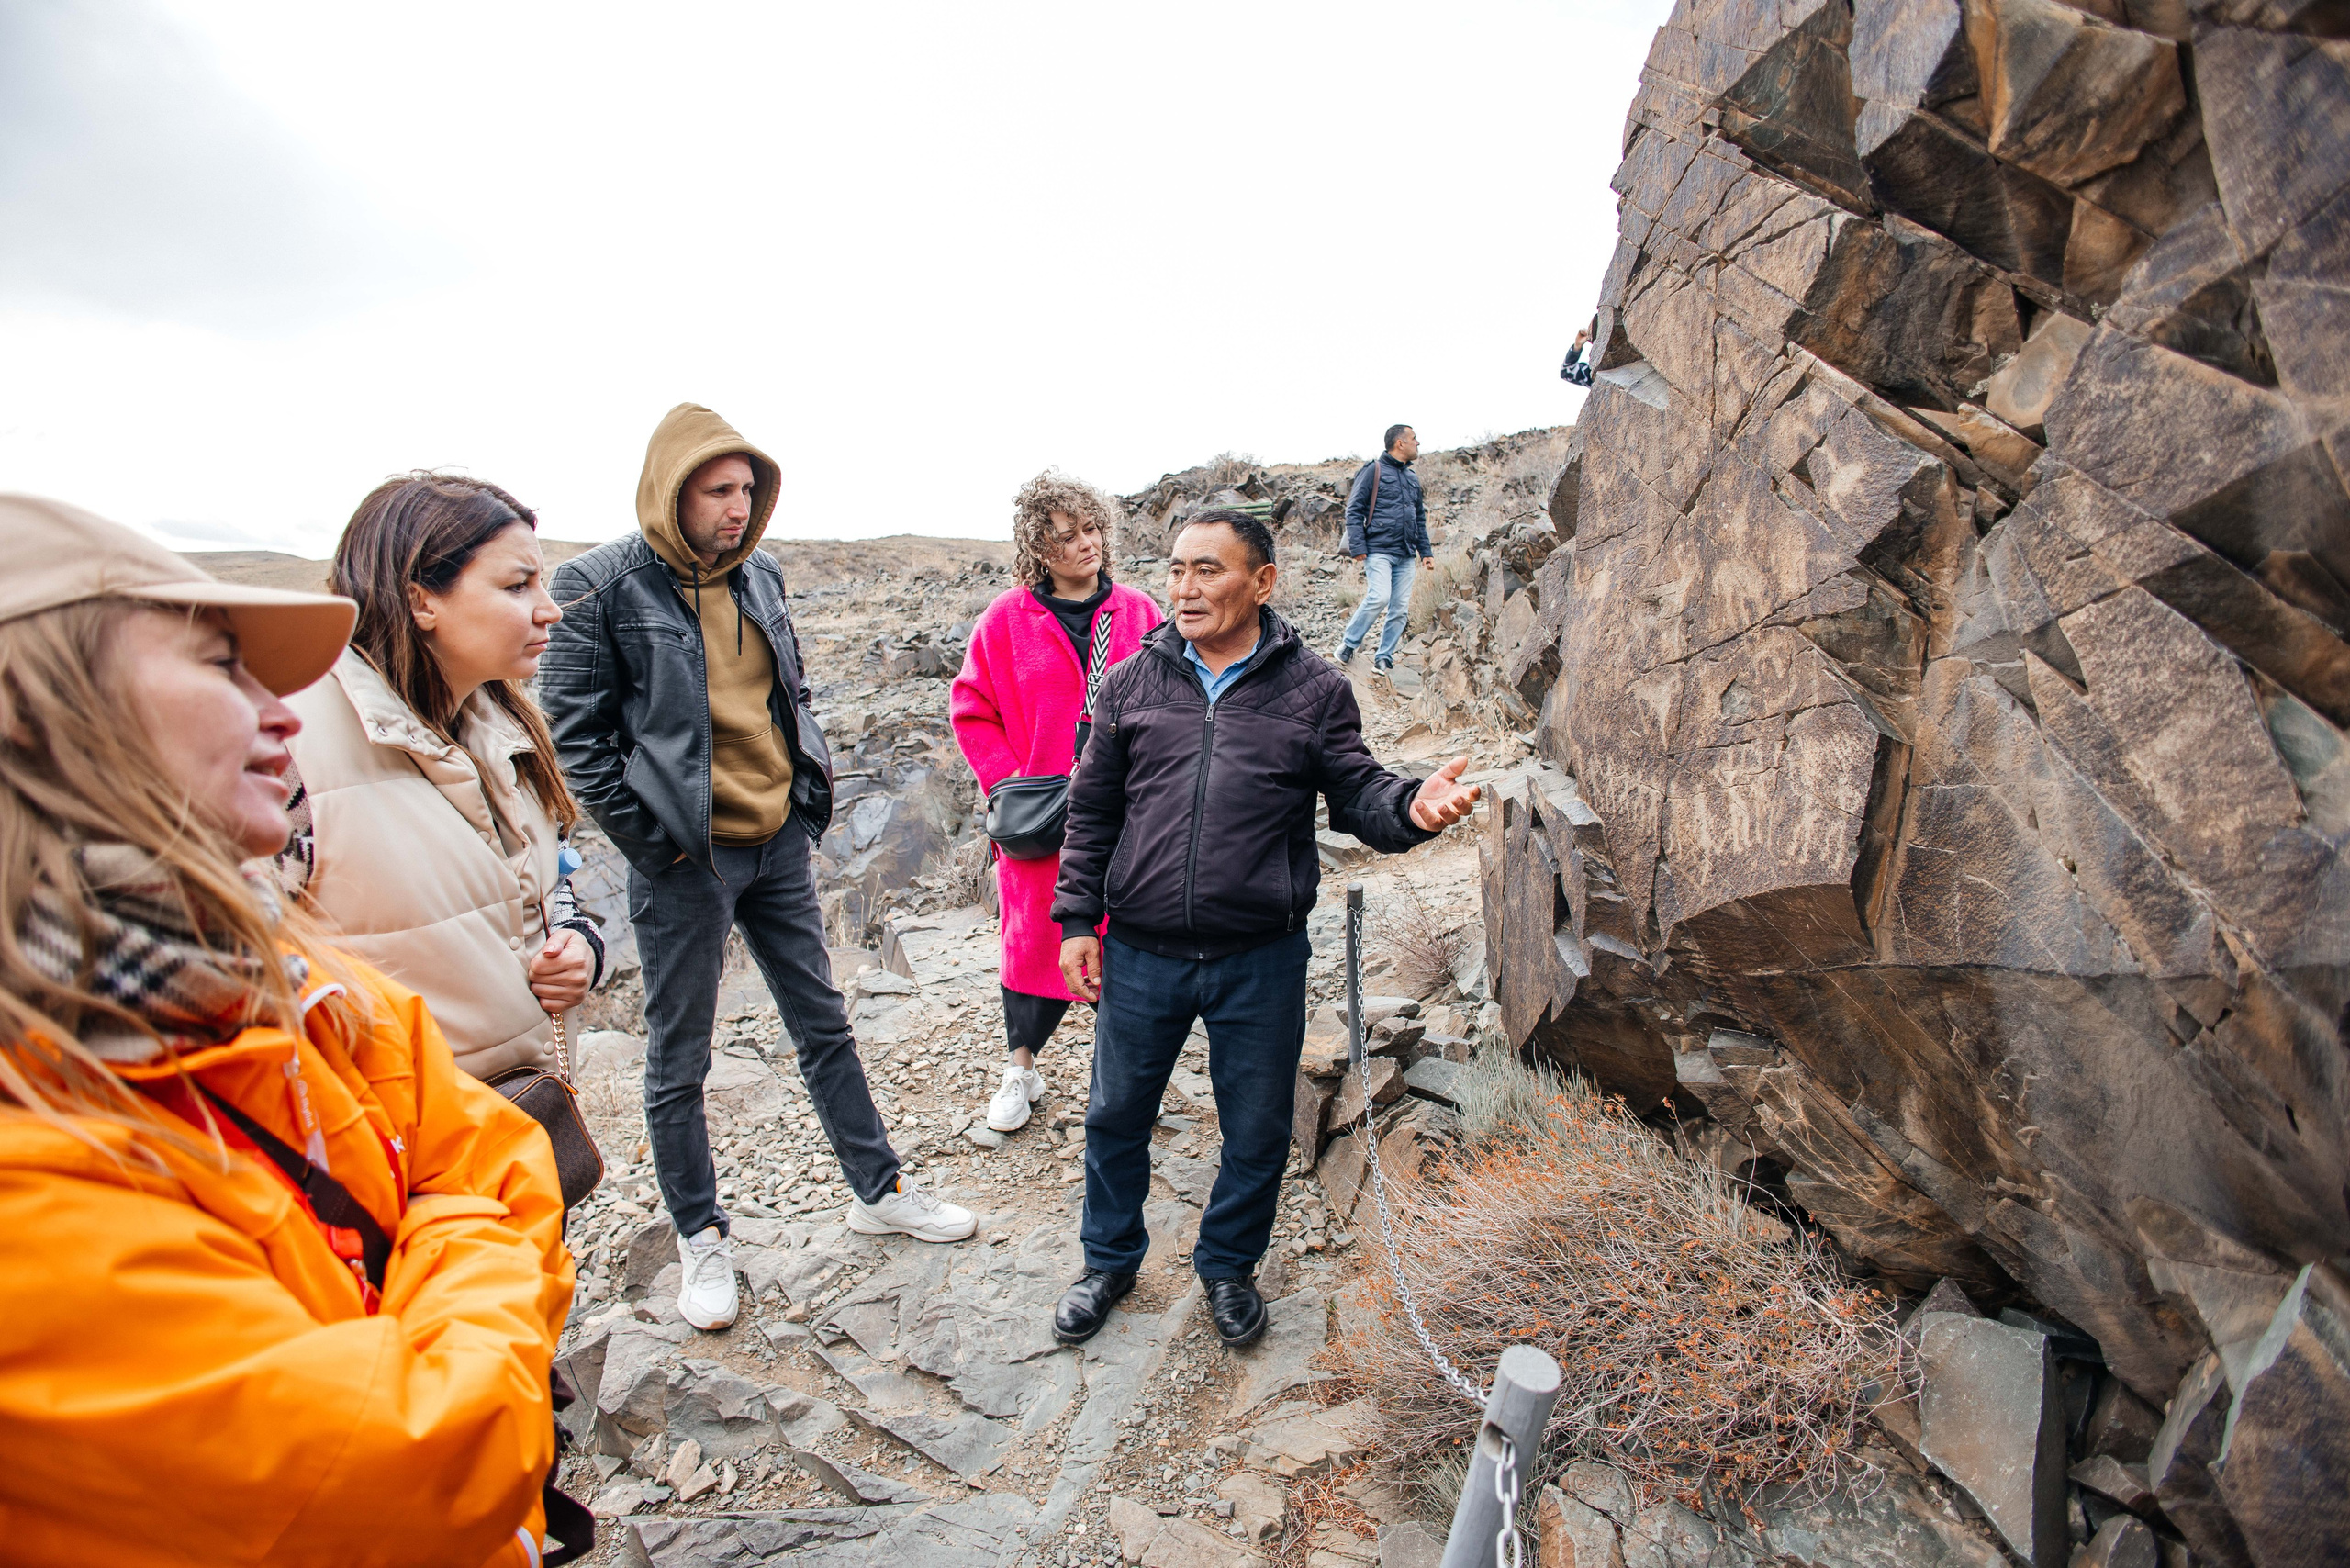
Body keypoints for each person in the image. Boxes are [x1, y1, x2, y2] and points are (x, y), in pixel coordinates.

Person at [0, 495, 579, 1566]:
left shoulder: (281, 972)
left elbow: (498, 1150)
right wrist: (453, 1225)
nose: (280, 711)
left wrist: (430, 1288)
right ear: (39, 713)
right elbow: (416, 1465)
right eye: (225, 667)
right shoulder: (31, 1190)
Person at [542, 403, 974, 1333]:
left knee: (822, 1020)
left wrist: (804, 796)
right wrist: (656, 844)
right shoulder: (600, 584)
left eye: (747, 489)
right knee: (679, 1058)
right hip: (684, 859)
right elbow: (575, 740)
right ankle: (701, 1237)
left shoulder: (761, 573)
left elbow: (792, 689)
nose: (738, 509)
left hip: (776, 840)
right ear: (673, 490)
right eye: (717, 490)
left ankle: (878, 1186)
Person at [1048, 508, 1482, 1349]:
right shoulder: (1131, 684)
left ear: (1263, 583)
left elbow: (1360, 795)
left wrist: (1413, 809)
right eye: (1176, 569)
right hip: (1141, 951)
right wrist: (1075, 919)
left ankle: (1227, 1266)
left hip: (1262, 958)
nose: (1184, 588)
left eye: (1208, 570)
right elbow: (1093, 813)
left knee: (1254, 1128)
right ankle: (1107, 1259)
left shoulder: (1315, 691)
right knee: (1115, 1116)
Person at [280, 473, 605, 1085]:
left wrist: (577, 944)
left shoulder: (505, 726)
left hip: (515, 1128)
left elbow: (548, 888)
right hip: (391, 1152)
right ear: (422, 600)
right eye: (516, 585)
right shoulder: (283, 745)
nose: (550, 609)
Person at [950, 472, 1162, 1133]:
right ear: (1039, 547)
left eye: (1092, 529)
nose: (1085, 544)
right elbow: (970, 710)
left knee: (1126, 943)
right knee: (1031, 946)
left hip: (1130, 814)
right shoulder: (1005, 620)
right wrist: (1011, 784)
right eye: (1065, 536)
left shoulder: (1139, 612)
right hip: (1039, 821)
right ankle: (1021, 1069)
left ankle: (1127, 1077)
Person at [1335, 424, 1433, 675]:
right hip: (1378, 550)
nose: (1418, 443)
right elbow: (1354, 510)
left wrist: (1427, 553)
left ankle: (1384, 656)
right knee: (1379, 596)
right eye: (1414, 439)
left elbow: (1419, 519)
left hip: (1406, 553)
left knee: (1399, 609)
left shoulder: (1412, 478)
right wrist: (1358, 545)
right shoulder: (1373, 470)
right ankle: (1348, 644)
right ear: (1400, 443)